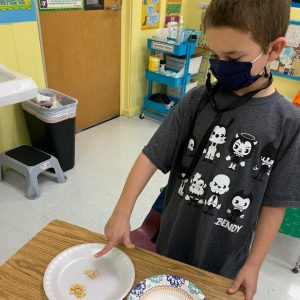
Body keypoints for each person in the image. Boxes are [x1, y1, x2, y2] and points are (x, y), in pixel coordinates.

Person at [95, 1, 300, 299]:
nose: (220, 66)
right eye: (215, 55)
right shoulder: (196, 101)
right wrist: (121, 211)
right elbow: (150, 155)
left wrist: (254, 265)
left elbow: (275, 203)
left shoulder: (288, 123)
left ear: (273, 49)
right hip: (172, 242)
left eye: (233, 57)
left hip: (226, 261)